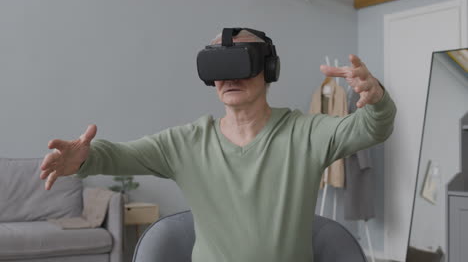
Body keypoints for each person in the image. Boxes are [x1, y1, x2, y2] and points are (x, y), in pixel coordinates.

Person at [39, 28, 396, 262]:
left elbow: (371, 128)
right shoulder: (187, 142)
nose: (228, 77)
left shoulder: (305, 133)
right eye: (217, 65)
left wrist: (376, 98)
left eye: (240, 62)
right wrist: (85, 158)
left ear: (269, 68)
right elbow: (120, 154)